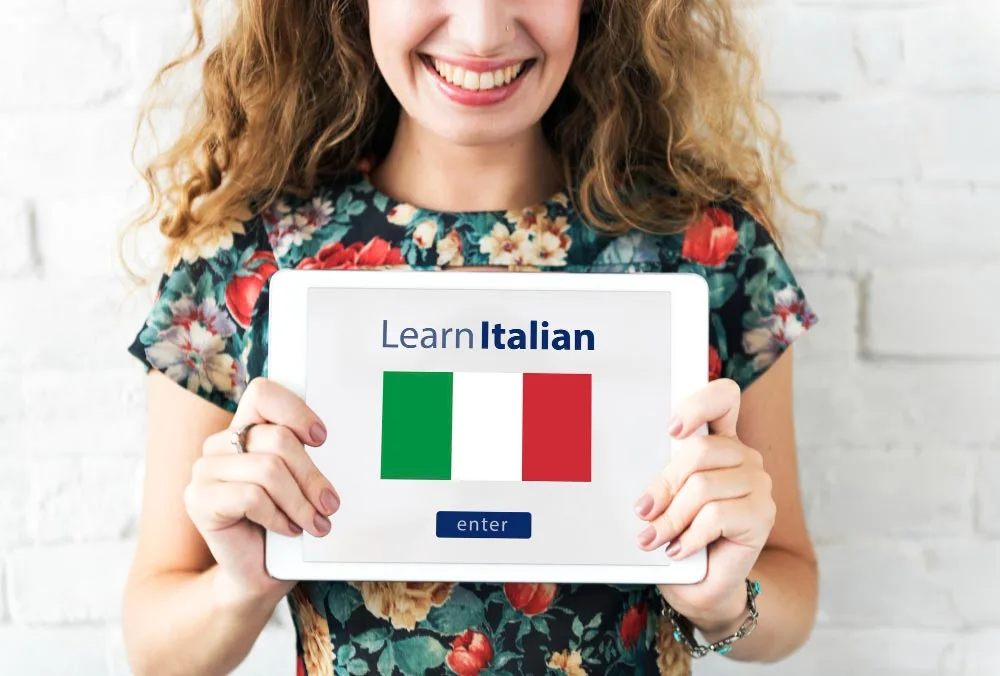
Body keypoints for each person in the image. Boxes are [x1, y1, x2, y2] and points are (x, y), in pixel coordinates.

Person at [120, 1, 819, 674]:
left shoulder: (714, 251)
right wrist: (239, 586)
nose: (481, 31)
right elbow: (155, 649)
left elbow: (792, 594)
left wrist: (723, 599)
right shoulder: (245, 260)